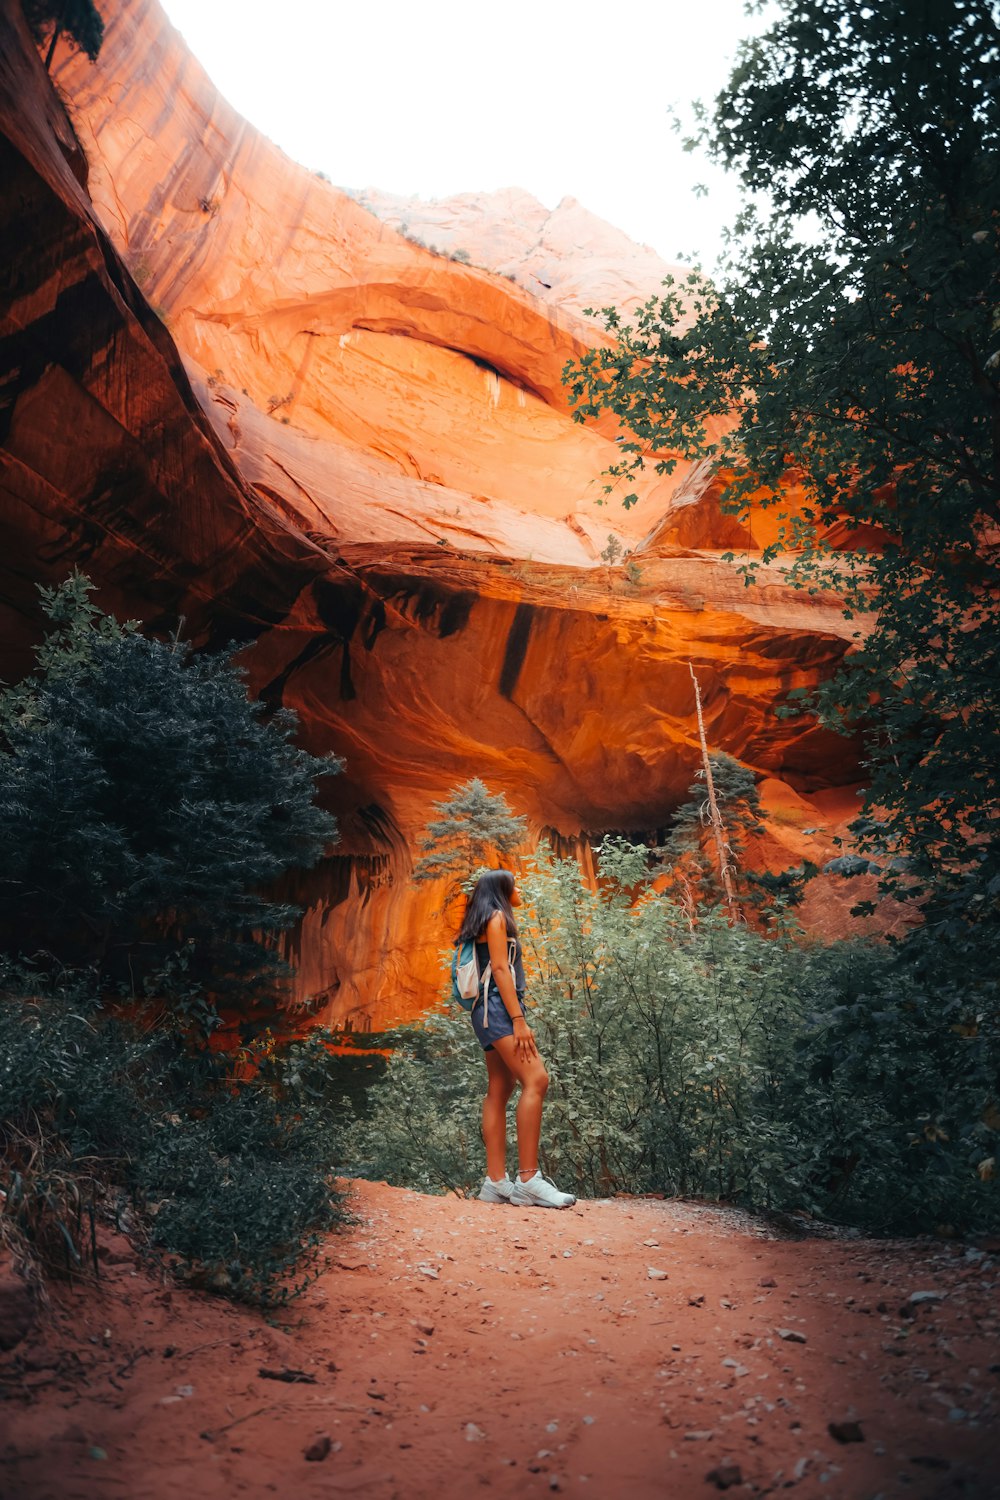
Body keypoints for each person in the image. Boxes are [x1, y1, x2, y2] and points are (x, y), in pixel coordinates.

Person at [454, 869, 575, 1209]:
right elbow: (502, 970)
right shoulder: (495, 918)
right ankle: (528, 1180)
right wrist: (519, 1020)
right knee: (536, 1078)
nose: (519, 890)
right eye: (514, 885)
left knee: (500, 1088)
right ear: (502, 891)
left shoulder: (485, 920)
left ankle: (494, 1183)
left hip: (487, 1011)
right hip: (498, 1011)